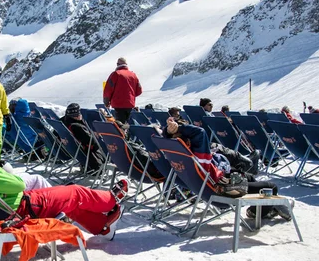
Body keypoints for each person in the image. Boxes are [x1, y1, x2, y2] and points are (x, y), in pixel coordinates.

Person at [0, 126, 127, 237]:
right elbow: (19, 184)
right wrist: (3, 172)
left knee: (67, 199)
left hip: (14, 207)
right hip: (23, 209)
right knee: (75, 192)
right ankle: (110, 201)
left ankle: (101, 226)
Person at [163, 118, 293, 220]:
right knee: (271, 187)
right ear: (190, 140)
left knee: (248, 177)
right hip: (221, 193)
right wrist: (179, 127)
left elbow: (164, 137)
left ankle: (266, 207)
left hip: (206, 189)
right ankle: (256, 212)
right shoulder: (199, 155)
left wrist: (168, 132)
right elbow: (200, 132)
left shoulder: (174, 154)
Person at [60, 103, 106, 172]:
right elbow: (94, 144)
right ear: (77, 115)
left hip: (77, 154)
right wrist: (82, 123)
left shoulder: (63, 123)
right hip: (93, 164)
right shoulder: (78, 127)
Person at [103, 57, 142, 124]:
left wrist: (106, 102)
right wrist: (130, 96)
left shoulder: (115, 74)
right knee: (127, 123)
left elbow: (108, 90)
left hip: (118, 104)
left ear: (117, 64)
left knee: (120, 125)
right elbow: (139, 90)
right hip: (130, 104)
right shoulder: (133, 75)